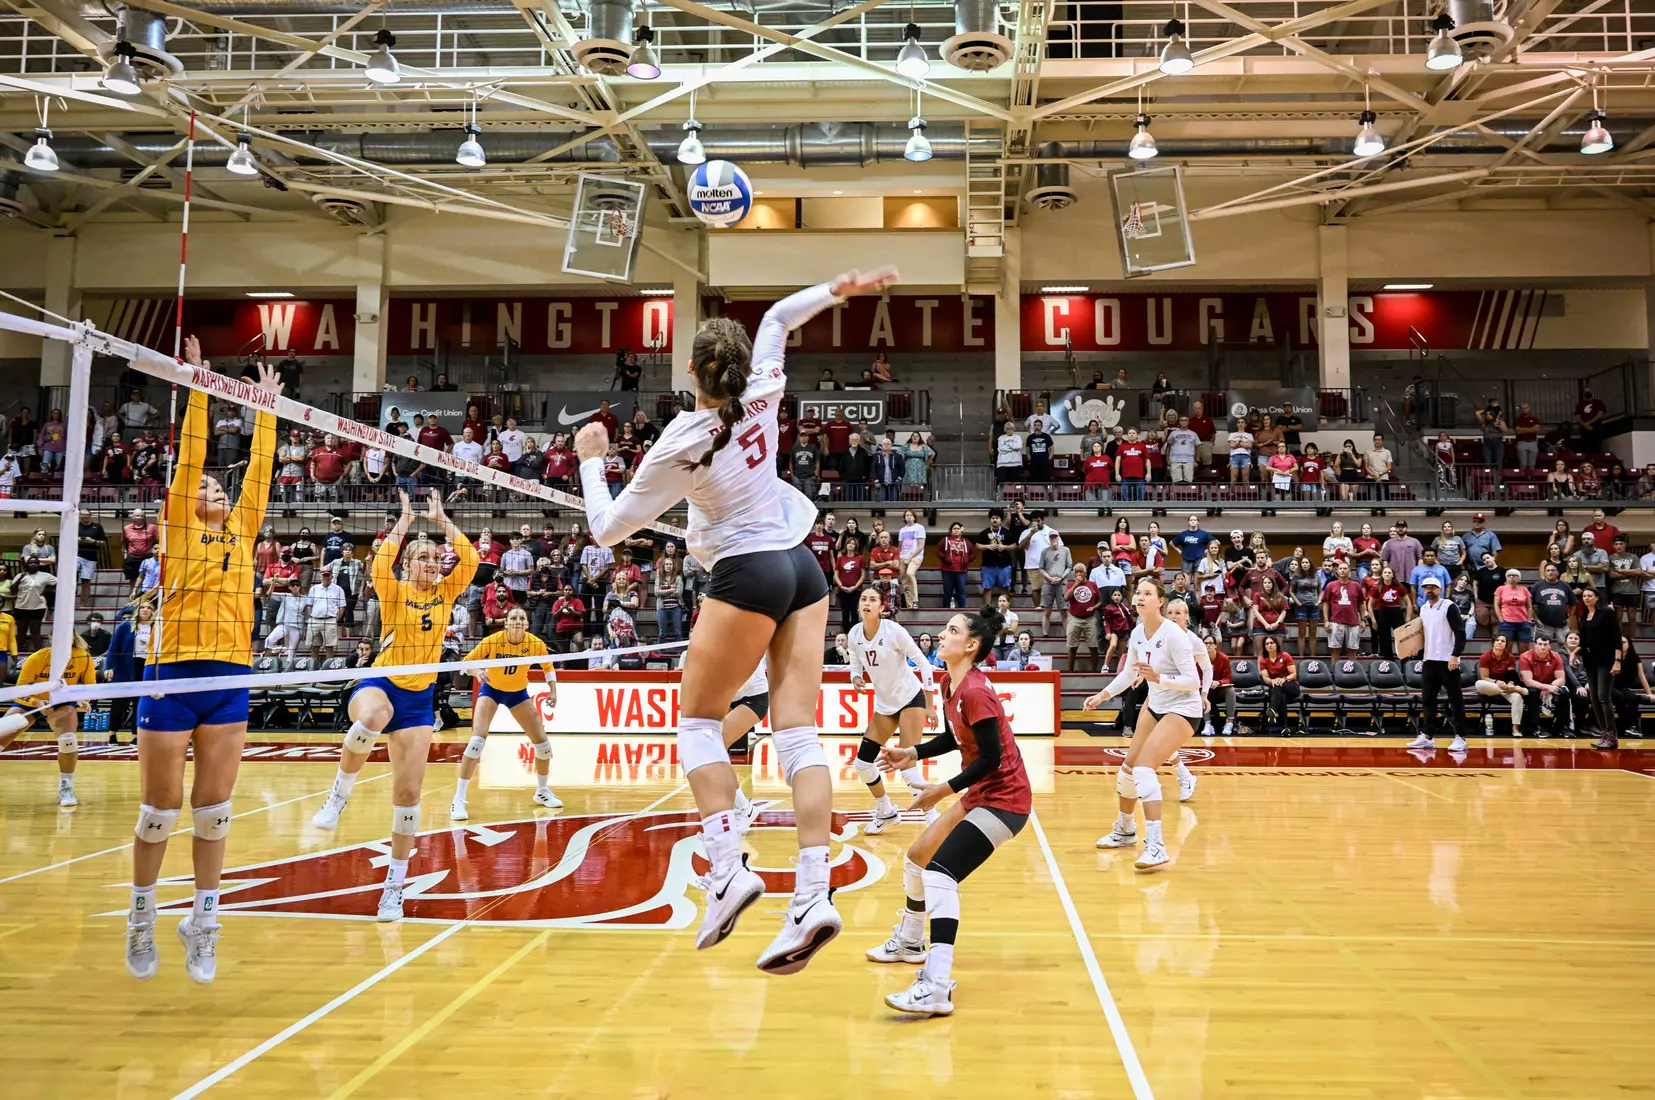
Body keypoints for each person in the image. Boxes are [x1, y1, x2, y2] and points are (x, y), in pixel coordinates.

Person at [572, 268, 897, 973]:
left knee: (695, 723)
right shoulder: (764, 390)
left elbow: (603, 531)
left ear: (688, 369)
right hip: (801, 564)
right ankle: (811, 896)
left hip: (748, 571)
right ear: (744, 366)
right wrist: (843, 287)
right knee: (799, 733)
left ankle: (727, 869)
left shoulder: (679, 440)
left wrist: (592, 463)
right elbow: (780, 312)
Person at [124, 340, 280, 986]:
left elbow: (260, 474)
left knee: (214, 810)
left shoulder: (242, 531)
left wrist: (266, 411)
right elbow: (190, 461)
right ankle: (140, 914)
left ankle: (203, 921)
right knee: (160, 810)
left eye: (222, 486)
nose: (215, 489)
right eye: (208, 487)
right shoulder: (179, 527)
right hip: (173, 676)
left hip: (230, 678)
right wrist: (199, 388)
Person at [311, 489, 479, 923]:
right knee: (371, 716)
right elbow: (382, 561)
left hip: (420, 699)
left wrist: (441, 521)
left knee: (408, 797)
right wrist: (406, 521)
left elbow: (471, 561)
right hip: (381, 681)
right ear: (409, 563)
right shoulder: (393, 587)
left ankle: (394, 887)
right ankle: (338, 796)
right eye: (423, 557)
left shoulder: (447, 591)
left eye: (434, 558)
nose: (431, 562)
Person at [867, 604, 1031, 1017]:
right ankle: (909, 941)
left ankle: (936, 985)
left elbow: (991, 758)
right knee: (916, 859)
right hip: (981, 792)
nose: (941, 635)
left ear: (971, 645)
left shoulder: (976, 690)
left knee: (940, 875)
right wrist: (913, 752)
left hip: (1005, 799)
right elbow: (955, 736)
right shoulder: (948, 682)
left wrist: (941, 789)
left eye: (951, 630)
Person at [1085, 578, 1204, 870]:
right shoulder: (1138, 633)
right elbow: (1128, 674)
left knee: (1143, 768)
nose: (1140, 597)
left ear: (1160, 601)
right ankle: (1125, 831)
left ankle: (1157, 846)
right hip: (1157, 705)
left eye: (1147, 594)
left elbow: (1194, 681)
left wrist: (1159, 678)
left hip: (1184, 708)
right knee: (1127, 768)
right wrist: (1104, 694)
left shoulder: (1175, 635)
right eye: (1138, 593)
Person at [452, 608, 562, 819]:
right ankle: (458, 799)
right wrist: (477, 672)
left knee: (544, 746)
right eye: (513, 618)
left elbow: (548, 668)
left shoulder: (535, 643)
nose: (518, 621)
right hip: (491, 690)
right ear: (506, 623)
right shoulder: (492, 641)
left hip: (518, 694)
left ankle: (542, 792)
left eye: (522, 618)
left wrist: (553, 690)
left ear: (527, 624)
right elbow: (465, 664)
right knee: (476, 741)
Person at [847, 588, 937, 834]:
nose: (867, 602)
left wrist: (929, 705)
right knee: (863, 764)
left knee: (907, 764)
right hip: (885, 705)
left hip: (911, 699)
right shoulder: (854, 634)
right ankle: (886, 810)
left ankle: (932, 816)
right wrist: (856, 678)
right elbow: (855, 664)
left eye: (873, 599)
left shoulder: (894, 631)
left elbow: (924, 664)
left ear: (882, 608)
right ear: (858, 607)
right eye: (863, 599)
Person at [0, 635, 98, 807]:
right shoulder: (38, 657)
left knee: (69, 740)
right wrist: (36, 702)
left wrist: (83, 700)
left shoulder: (83, 657)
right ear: (51, 639)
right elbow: (20, 690)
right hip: (33, 701)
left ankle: (66, 787)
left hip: (63, 701)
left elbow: (90, 687)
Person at [1405, 575, 1469, 753]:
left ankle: (1461, 737)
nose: (1429, 590)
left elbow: (1460, 632)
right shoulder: (1424, 609)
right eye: (1426, 587)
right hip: (1429, 660)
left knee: (1455, 699)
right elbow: (1424, 636)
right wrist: (1414, 649)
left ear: (1440, 589)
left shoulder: (1449, 606)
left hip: (1447, 659)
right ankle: (1427, 736)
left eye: (1433, 587)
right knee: (1428, 699)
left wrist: (1455, 655)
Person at [1576, 584, 1622, 749]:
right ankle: (1604, 733)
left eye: (1590, 596)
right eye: (1584, 596)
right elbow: (1586, 640)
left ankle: (1612, 735)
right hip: (1590, 661)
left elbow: (1616, 638)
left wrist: (1618, 661)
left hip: (1606, 660)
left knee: (1604, 698)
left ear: (1597, 598)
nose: (1586, 598)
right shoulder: (1584, 616)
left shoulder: (1607, 614)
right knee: (1594, 699)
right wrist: (1576, 652)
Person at [1475, 632, 1528, 735]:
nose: (1500, 642)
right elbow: (1484, 677)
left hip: (1506, 687)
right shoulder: (1485, 657)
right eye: (1497, 640)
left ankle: (1515, 729)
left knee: (1517, 698)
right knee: (1478, 683)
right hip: (1491, 687)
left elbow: (1511, 674)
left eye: (1503, 641)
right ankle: (1517, 689)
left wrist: (1510, 683)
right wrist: (1497, 682)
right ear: (1493, 643)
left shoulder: (1510, 657)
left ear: (1506, 644)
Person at [1517, 635, 1567, 737]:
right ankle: (1535, 727)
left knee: (1564, 693)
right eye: (1540, 644)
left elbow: (1561, 679)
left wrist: (1551, 687)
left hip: (1550, 685)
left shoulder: (1556, 656)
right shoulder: (1525, 657)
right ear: (1535, 645)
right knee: (1533, 693)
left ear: (1549, 646)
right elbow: (1528, 681)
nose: (1543, 647)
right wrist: (1546, 687)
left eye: (1545, 644)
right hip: (1533, 686)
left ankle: (1560, 727)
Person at [1063, 562, 1102, 673]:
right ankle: (1070, 672)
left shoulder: (1093, 584)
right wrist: (1077, 584)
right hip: (1074, 618)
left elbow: (1100, 601)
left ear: (1086, 573)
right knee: (1072, 647)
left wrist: (1094, 607)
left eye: (1081, 571)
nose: (1079, 573)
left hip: (1090, 619)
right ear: (1074, 574)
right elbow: (1066, 598)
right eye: (1077, 571)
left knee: (1093, 647)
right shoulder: (1070, 585)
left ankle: (1094, 672)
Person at [936, 522, 974, 610]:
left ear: (961, 530)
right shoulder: (945, 540)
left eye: (958, 528)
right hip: (947, 570)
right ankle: (945, 610)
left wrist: (967, 561)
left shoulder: (966, 542)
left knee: (961, 591)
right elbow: (938, 551)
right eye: (954, 529)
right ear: (951, 531)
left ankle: (962, 610)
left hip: (961, 571)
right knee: (947, 591)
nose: (956, 530)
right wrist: (945, 558)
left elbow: (972, 554)